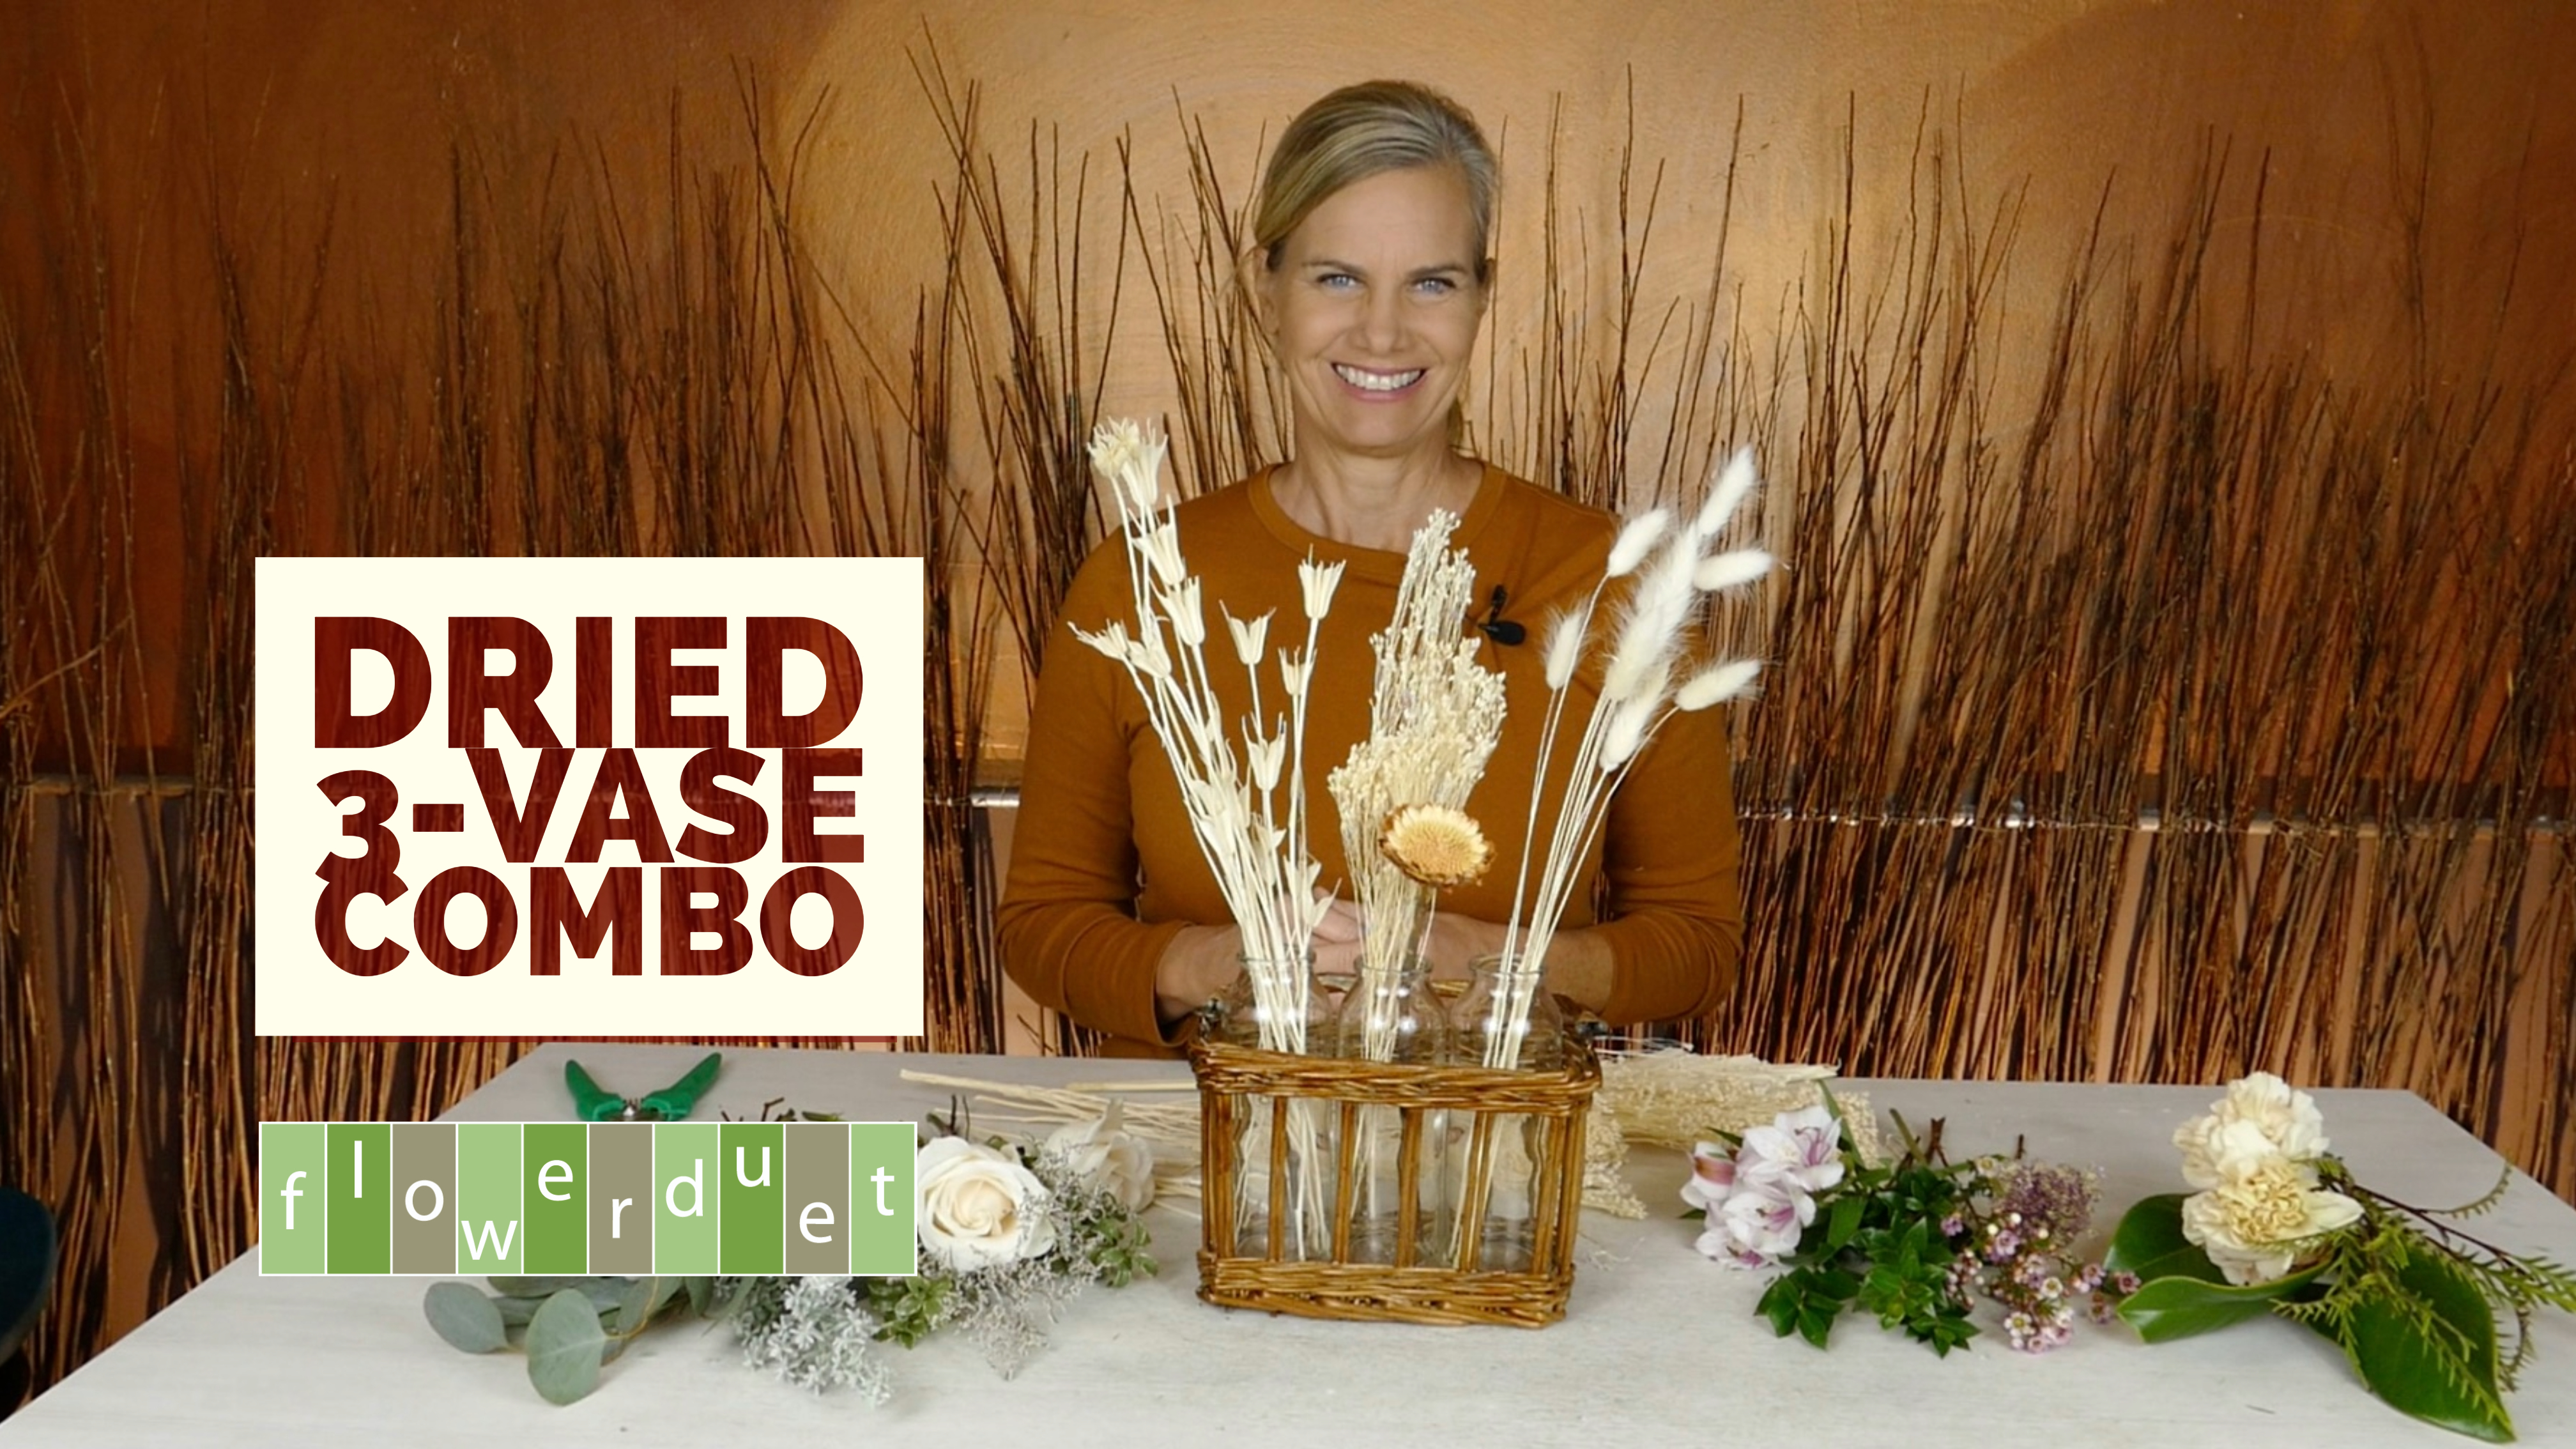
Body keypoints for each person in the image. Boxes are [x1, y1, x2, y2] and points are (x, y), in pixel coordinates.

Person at [999, 80, 1744, 1057]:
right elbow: (1044, 925)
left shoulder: (1610, 584)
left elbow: (1697, 945)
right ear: (1264, 291)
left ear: (1482, 296)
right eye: (1337, 278)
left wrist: (1493, 962)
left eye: (1431, 282)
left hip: (1485, 1168)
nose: (1384, 334)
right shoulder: (1141, 582)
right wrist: (1216, 966)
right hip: (1188, 1160)